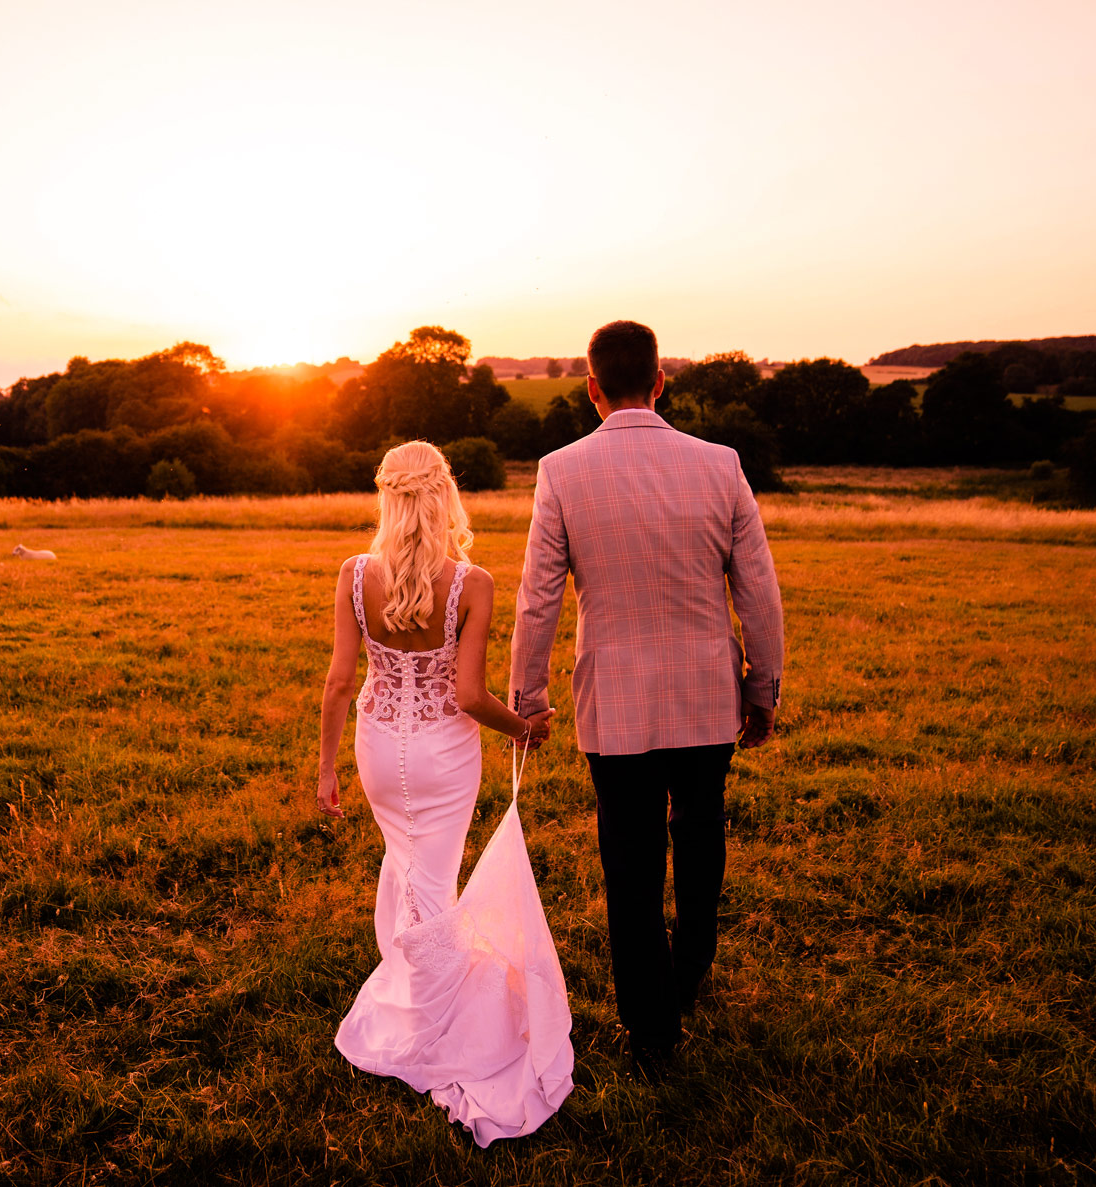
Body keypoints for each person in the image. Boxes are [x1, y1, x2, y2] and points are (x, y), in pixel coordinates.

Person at [509, 319, 785, 1077]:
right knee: (701, 840)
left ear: (592, 388)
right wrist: (762, 689)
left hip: (616, 708)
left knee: (629, 864)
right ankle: (689, 972)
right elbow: (759, 591)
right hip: (706, 702)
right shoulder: (721, 464)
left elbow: (538, 600)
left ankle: (652, 1030)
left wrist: (527, 699)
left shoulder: (561, 469)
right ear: (661, 381)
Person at [317, 440, 572, 1145]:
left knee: (407, 871)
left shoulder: (353, 573)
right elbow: (466, 694)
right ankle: (428, 1027)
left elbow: (341, 680)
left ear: (388, 496)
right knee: (431, 881)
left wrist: (327, 768)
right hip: (443, 756)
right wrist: (522, 727)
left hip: (374, 746)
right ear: (443, 496)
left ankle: (408, 990)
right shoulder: (472, 581)